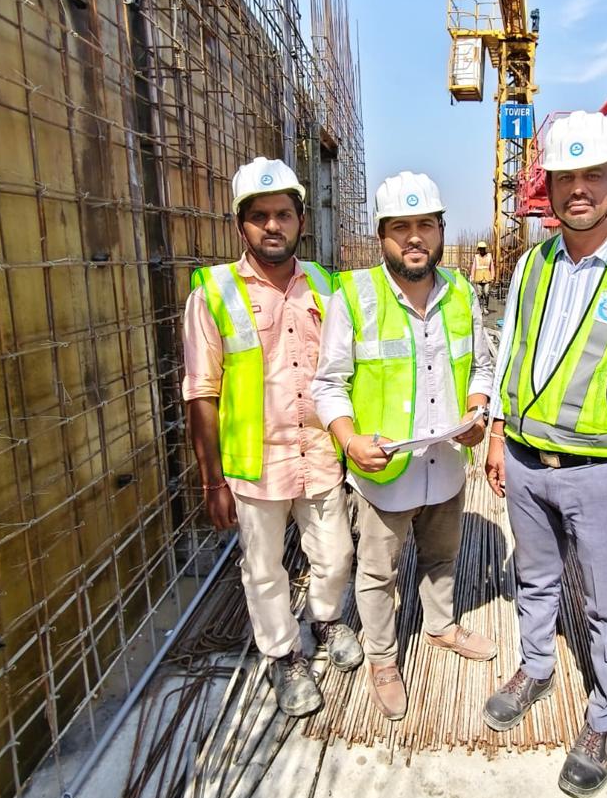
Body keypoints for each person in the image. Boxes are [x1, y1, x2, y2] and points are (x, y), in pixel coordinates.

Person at [482, 111, 607, 798]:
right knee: (535, 579)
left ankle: (605, 720)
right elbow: (508, 350)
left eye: (589, 175)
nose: (577, 189)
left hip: (600, 476)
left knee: (605, 603)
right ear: (550, 187)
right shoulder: (532, 264)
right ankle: (536, 668)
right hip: (524, 461)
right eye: (564, 177)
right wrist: (493, 434)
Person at [312, 171, 496, 721]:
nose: (414, 238)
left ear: (440, 231)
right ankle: (383, 658)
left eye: (425, 226)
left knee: (442, 556)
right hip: (384, 471)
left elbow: (483, 365)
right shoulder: (354, 294)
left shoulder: (461, 292)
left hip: (445, 464)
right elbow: (328, 383)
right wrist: (348, 442)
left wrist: (477, 412)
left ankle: (439, 625)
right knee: (377, 572)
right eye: (400, 228)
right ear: (382, 236)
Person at [183, 156, 363, 718]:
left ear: (301, 220)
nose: (273, 226)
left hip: (319, 453)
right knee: (263, 569)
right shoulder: (213, 292)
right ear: (242, 225)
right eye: (259, 216)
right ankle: (283, 656)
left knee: (335, 556)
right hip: (255, 463)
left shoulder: (330, 287)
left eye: (283, 214)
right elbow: (200, 390)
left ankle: (327, 620)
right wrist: (212, 480)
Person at [469, 239, 495, 310]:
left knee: (486, 293)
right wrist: (472, 277)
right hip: (478, 278)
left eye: (483, 249)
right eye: (480, 249)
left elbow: (492, 267)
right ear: (479, 249)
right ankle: (480, 307)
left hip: (487, 278)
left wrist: (492, 276)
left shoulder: (489, 256)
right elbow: (473, 268)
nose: (482, 250)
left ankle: (485, 307)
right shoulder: (476, 257)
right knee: (479, 294)